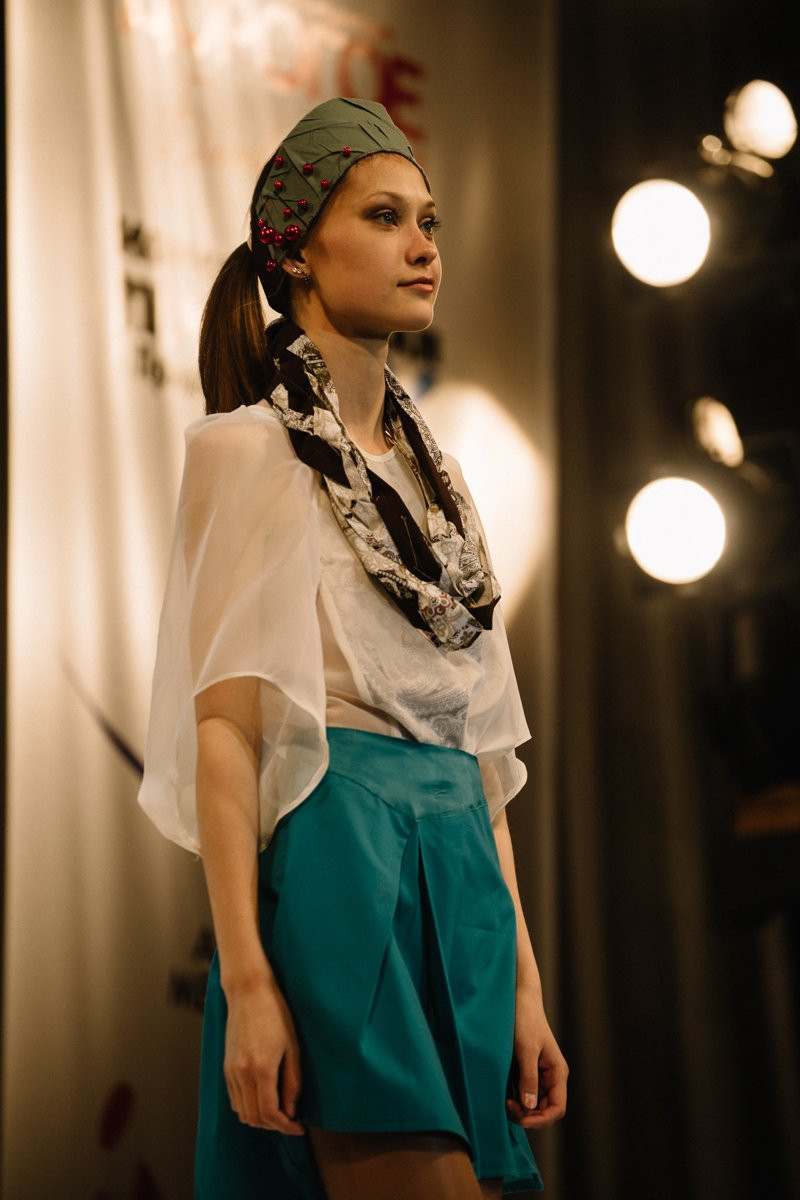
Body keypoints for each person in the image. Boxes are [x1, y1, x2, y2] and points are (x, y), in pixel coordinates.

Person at [138, 97, 568, 1200]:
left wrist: (524, 983)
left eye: (428, 221)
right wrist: (248, 980)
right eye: (383, 217)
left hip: (462, 878)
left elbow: (482, 758)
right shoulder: (247, 452)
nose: (423, 245)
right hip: (342, 855)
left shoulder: (442, 484)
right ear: (294, 251)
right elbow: (227, 731)